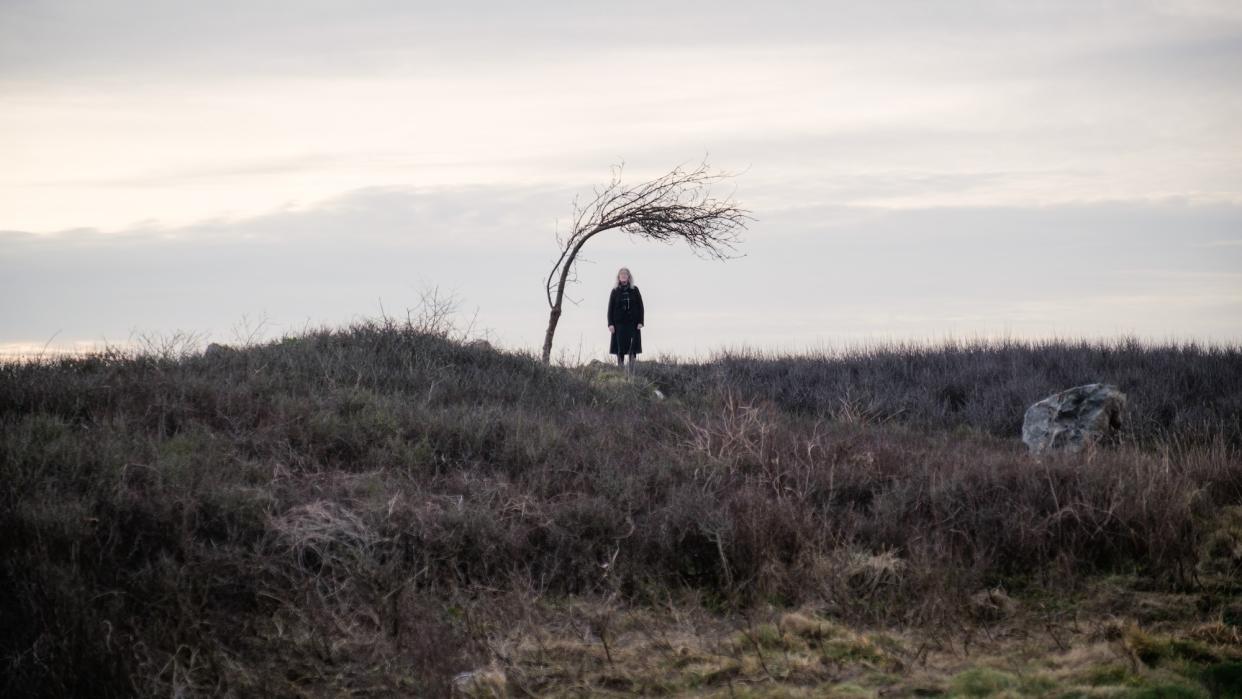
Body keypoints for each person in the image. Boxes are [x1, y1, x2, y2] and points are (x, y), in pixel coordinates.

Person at [607, 267, 644, 372]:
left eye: (625, 274)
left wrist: (641, 321)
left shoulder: (635, 290)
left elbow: (641, 307)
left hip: (633, 324)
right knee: (620, 349)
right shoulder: (614, 291)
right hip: (619, 325)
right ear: (618, 277)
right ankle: (620, 370)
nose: (623, 276)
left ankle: (632, 370)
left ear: (629, 277)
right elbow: (610, 309)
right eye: (621, 274)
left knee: (632, 348)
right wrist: (610, 324)